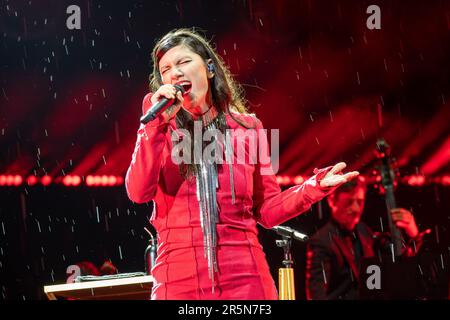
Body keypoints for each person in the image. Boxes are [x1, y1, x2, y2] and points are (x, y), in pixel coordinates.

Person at [125, 28, 359, 300]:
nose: (174, 73)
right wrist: (153, 128)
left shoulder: (249, 128)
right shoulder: (158, 129)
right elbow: (138, 192)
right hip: (178, 282)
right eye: (165, 69)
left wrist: (312, 188)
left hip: (246, 280)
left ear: (209, 69)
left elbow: (267, 211)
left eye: (184, 62)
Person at [305, 176, 428, 300]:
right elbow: (316, 294)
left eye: (360, 201)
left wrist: (413, 233)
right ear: (332, 201)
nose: (356, 208)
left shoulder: (365, 232)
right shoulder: (320, 241)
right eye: (349, 202)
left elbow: (399, 263)